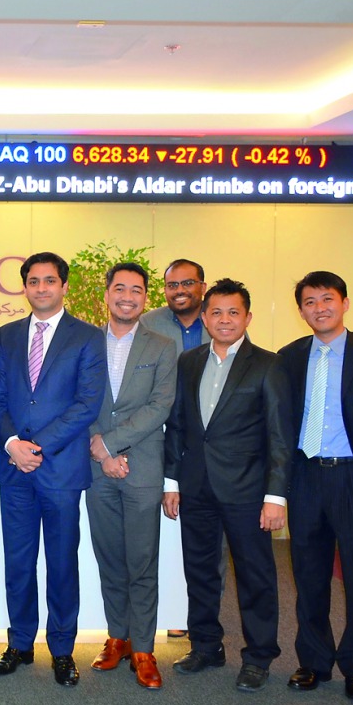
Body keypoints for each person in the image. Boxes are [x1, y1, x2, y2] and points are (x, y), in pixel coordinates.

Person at [163, 277, 293, 692]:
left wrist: (275, 496)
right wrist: (172, 480)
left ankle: (258, 657)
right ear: (204, 316)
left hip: (248, 492)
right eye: (215, 312)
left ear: (248, 317)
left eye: (233, 312)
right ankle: (206, 646)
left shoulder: (269, 364)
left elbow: (279, 434)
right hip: (196, 486)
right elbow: (179, 425)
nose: (224, 320)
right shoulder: (190, 361)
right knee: (200, 571)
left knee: (255, 575)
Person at [0, 252, 105, 687]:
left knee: (60, 563)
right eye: (33, 281)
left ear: (64, 286)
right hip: (16, 470)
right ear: (24, 287)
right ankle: (19, 644)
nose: (41, 288)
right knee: (18, 562)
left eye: (50, 281)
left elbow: (86, 405)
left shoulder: (88, 337)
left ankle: (62, 649)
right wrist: (14, 444)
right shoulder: (7, 335)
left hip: (60, 471)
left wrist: (38, 445)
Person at [277, 271, 353, 702]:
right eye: (310, 301)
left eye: (328, 299)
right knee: (308, 574)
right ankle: (313, 661)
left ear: (345, 303)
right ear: (301, 309)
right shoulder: (288, 357)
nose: (319, 308)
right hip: (305, 475)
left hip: (352, 477)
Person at [85, 263, 176, 690]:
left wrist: (113, 445)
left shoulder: (162, 346)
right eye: (119, 288)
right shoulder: (85, 342)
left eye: (136, 290)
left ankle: (144, 648)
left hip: (141, 467)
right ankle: (117, 637)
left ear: (145, 297)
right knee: (110, 558)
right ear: (106, 294)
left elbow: (159, 407)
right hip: (96, 467)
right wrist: (100, 450)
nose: (127, 296)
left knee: (142, 560)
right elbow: (76, 402)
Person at [140, 257, 209, 639]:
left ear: (202, 285)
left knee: (204, 537)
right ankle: (169, 610)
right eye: (172, 285)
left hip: (204, 439)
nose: (179, 291)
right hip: (157, 433)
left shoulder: (217, 319)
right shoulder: (148, 322)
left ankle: (198, 620)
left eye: (187, 283)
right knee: (154, 534)